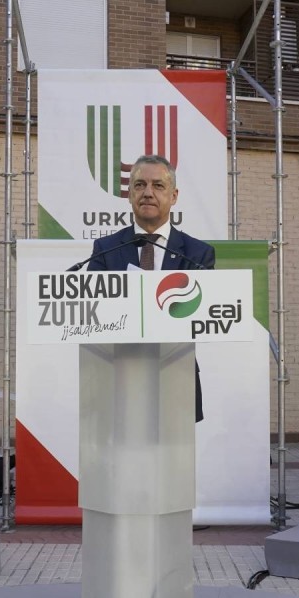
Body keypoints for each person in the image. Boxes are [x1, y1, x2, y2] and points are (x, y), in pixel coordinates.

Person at [87, 154, 215, 421]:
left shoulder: (198, 253)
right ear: (129, 194)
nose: (147, 193)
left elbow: (199, 318)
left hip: (176, 379)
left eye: (158, 185)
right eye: (139, 185)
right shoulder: (105, 249)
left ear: (174, 196)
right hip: (117, 378)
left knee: (175, 449)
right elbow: (94, 314)